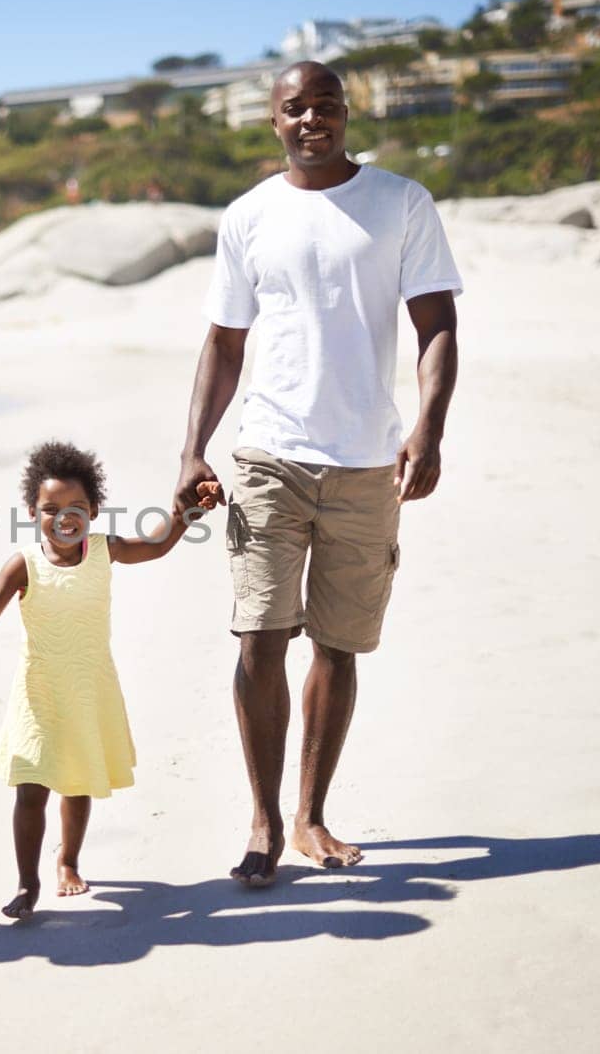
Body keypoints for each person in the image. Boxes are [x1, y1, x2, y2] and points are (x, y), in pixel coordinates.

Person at [173, 61, 463, 887]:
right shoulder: (250, 216)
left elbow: (436, 322)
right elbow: (225, 341)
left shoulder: (401, 201)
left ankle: (310, 815)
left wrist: (429, 430)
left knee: (338, 646)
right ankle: (264, 820)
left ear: (345, 114)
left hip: (370, 462)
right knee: (261, 636)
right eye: (294, 109)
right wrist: (193, 448)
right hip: (269, 453)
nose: (312, 120)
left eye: (325, 106)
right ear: (274, 122)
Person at [0, 441, 218, 918]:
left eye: (77, 508)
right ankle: (27, 884)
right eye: (51, 509)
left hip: (89, 689)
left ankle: (68, 861)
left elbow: (158, 544)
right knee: (30, 789)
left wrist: (185, 511)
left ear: (95, 510)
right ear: (32, 512)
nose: (64, 518)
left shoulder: (106, 550)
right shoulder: (24, 564)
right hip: (38, 695)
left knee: (78, 781)